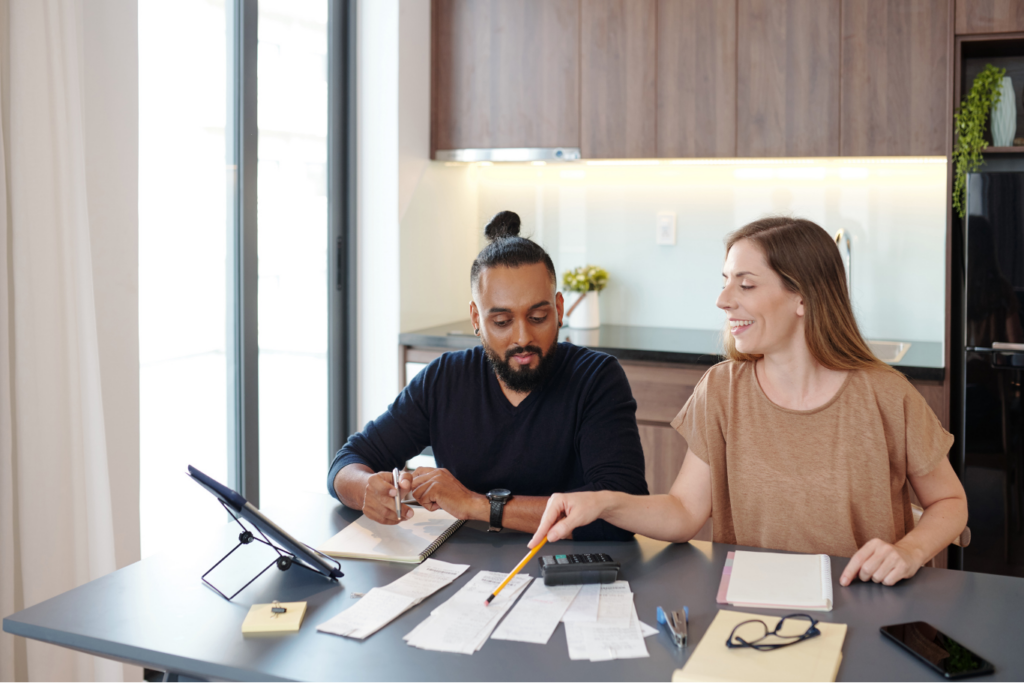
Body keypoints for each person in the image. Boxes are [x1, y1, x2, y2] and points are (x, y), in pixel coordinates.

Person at [529, 216, 968, 586]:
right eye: (725, 282)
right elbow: (684, 511)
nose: (723, 300)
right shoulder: (722, 390)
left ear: (802, 297)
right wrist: (602, 502)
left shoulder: (885, 395)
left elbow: (949, 503)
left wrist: (909, 551)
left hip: (864, 601)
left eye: (746, 284)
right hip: (752, 604)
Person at [328, 210, 648, 540]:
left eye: (538, 317)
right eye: (502, 322)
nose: (522, 337)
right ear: (476, 319)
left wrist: (477, 505)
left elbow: (624, 510)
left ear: (559, 309)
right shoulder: (445, 379)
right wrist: (367, 488)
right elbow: (347, 462)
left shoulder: (596, 379)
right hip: (462, 570)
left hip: (562, 571)